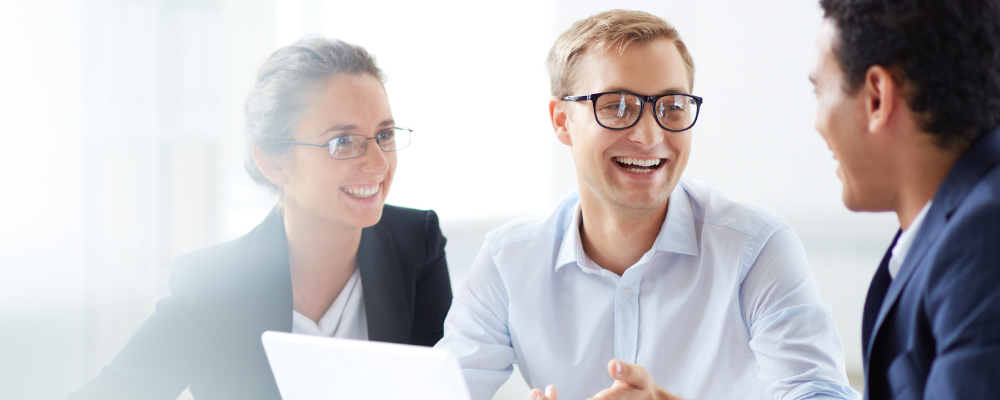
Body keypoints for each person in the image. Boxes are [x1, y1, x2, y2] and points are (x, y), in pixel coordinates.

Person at [435, 10, 859, 400]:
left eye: (672, 107)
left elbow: (821, 394)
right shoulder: (508, 260)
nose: (650, 135)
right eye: (618, 107)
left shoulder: (756, 248)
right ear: (562, 121)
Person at [67, 37, 453, 400]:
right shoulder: (215, 286)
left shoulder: (416, 245)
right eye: (343, 141)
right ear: (273, 162)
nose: (378, 163)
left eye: (384, 135)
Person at [810, 0, 1000, 398]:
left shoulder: (982, 238)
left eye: (819, 90)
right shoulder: (959, 223)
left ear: (877, 97)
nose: (816, 123)